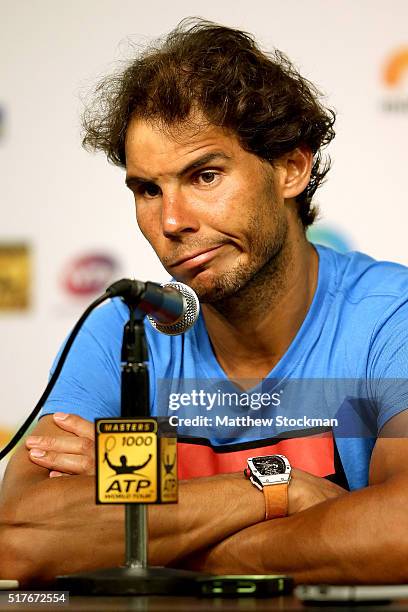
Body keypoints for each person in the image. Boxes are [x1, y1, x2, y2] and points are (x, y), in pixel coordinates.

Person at [2, 18, 408, 584]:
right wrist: (277, 487)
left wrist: (158, 535)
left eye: (205, 176)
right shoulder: (125, 329)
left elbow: (401, 531)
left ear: (291, 167)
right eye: (148, 190)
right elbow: (21, 537)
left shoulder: (390, 316)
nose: (171, 221)